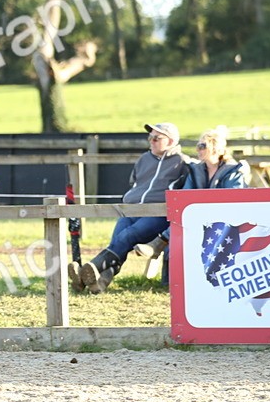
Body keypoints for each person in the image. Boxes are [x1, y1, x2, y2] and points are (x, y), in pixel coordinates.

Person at [73, 122, 190, 294]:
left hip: (157, 213)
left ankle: (90, 270)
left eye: (157, 138)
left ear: (171, 141)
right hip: (131, 209)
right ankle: (100, 282)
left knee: (126, 236)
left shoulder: (182, 163)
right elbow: (134, 182)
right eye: (150, 137)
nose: (151, 141)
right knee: (117, 241)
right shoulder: (144, 159)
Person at [134, 125, 249, 261]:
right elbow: (185, 196)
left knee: (187, 223)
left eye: (202, 146)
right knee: (181, 224)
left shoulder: (233, 171)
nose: (198, 150)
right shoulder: (195, 170)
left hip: (224, 220)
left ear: (215, 148)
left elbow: (232, 200)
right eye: (197, 146)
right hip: (198, 218)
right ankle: (166, 275)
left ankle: (159, 243)